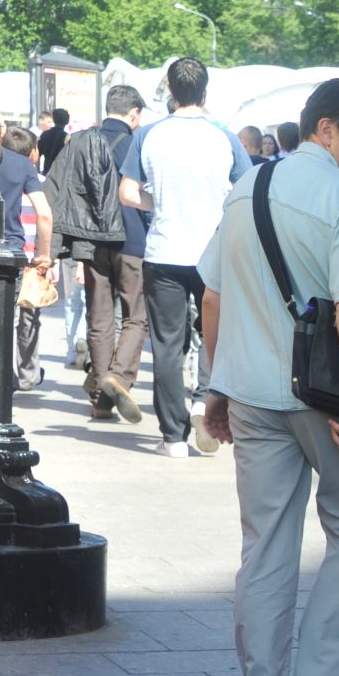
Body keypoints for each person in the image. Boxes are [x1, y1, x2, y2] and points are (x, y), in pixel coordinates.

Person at [195, 78, 339, 676]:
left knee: (266, 547)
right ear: (325, 128)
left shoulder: (244, 189)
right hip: (328, 400)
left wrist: (216, 385)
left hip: (250, 394)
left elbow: (213, 299)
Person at [121, 56, 251, 457]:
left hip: (165, 251)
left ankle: (172, 437)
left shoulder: (148, 135)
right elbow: (245, 187)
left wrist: (158, 203)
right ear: (205, 92)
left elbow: (127, 193)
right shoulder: (224, 137)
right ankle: (204, 403)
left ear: (170, 93)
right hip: (213, 252)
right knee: (215, 335)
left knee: (167, 344)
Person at [51, 83, 148, 423]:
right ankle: (118, 378)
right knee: (137, 315)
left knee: (100, 317)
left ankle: (100, 401)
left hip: (90, 241)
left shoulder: (78, 141)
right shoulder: (137, 143)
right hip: (131, 239)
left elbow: (58, 190)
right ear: (133, 113)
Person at [0, 127, 52, 390]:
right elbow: (45, 214)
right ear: (32, 151)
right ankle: (25, 376)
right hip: (15, 251)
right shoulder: (25, 168)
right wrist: (45, 255)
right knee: (25, 314)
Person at [36, 107, 69, 173]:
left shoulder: (45, 135)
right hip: (62, 173)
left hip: (47, 172)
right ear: (67, 122)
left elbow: (38, 156)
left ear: (53, 119)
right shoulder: (67, 138)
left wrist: (38, 171)